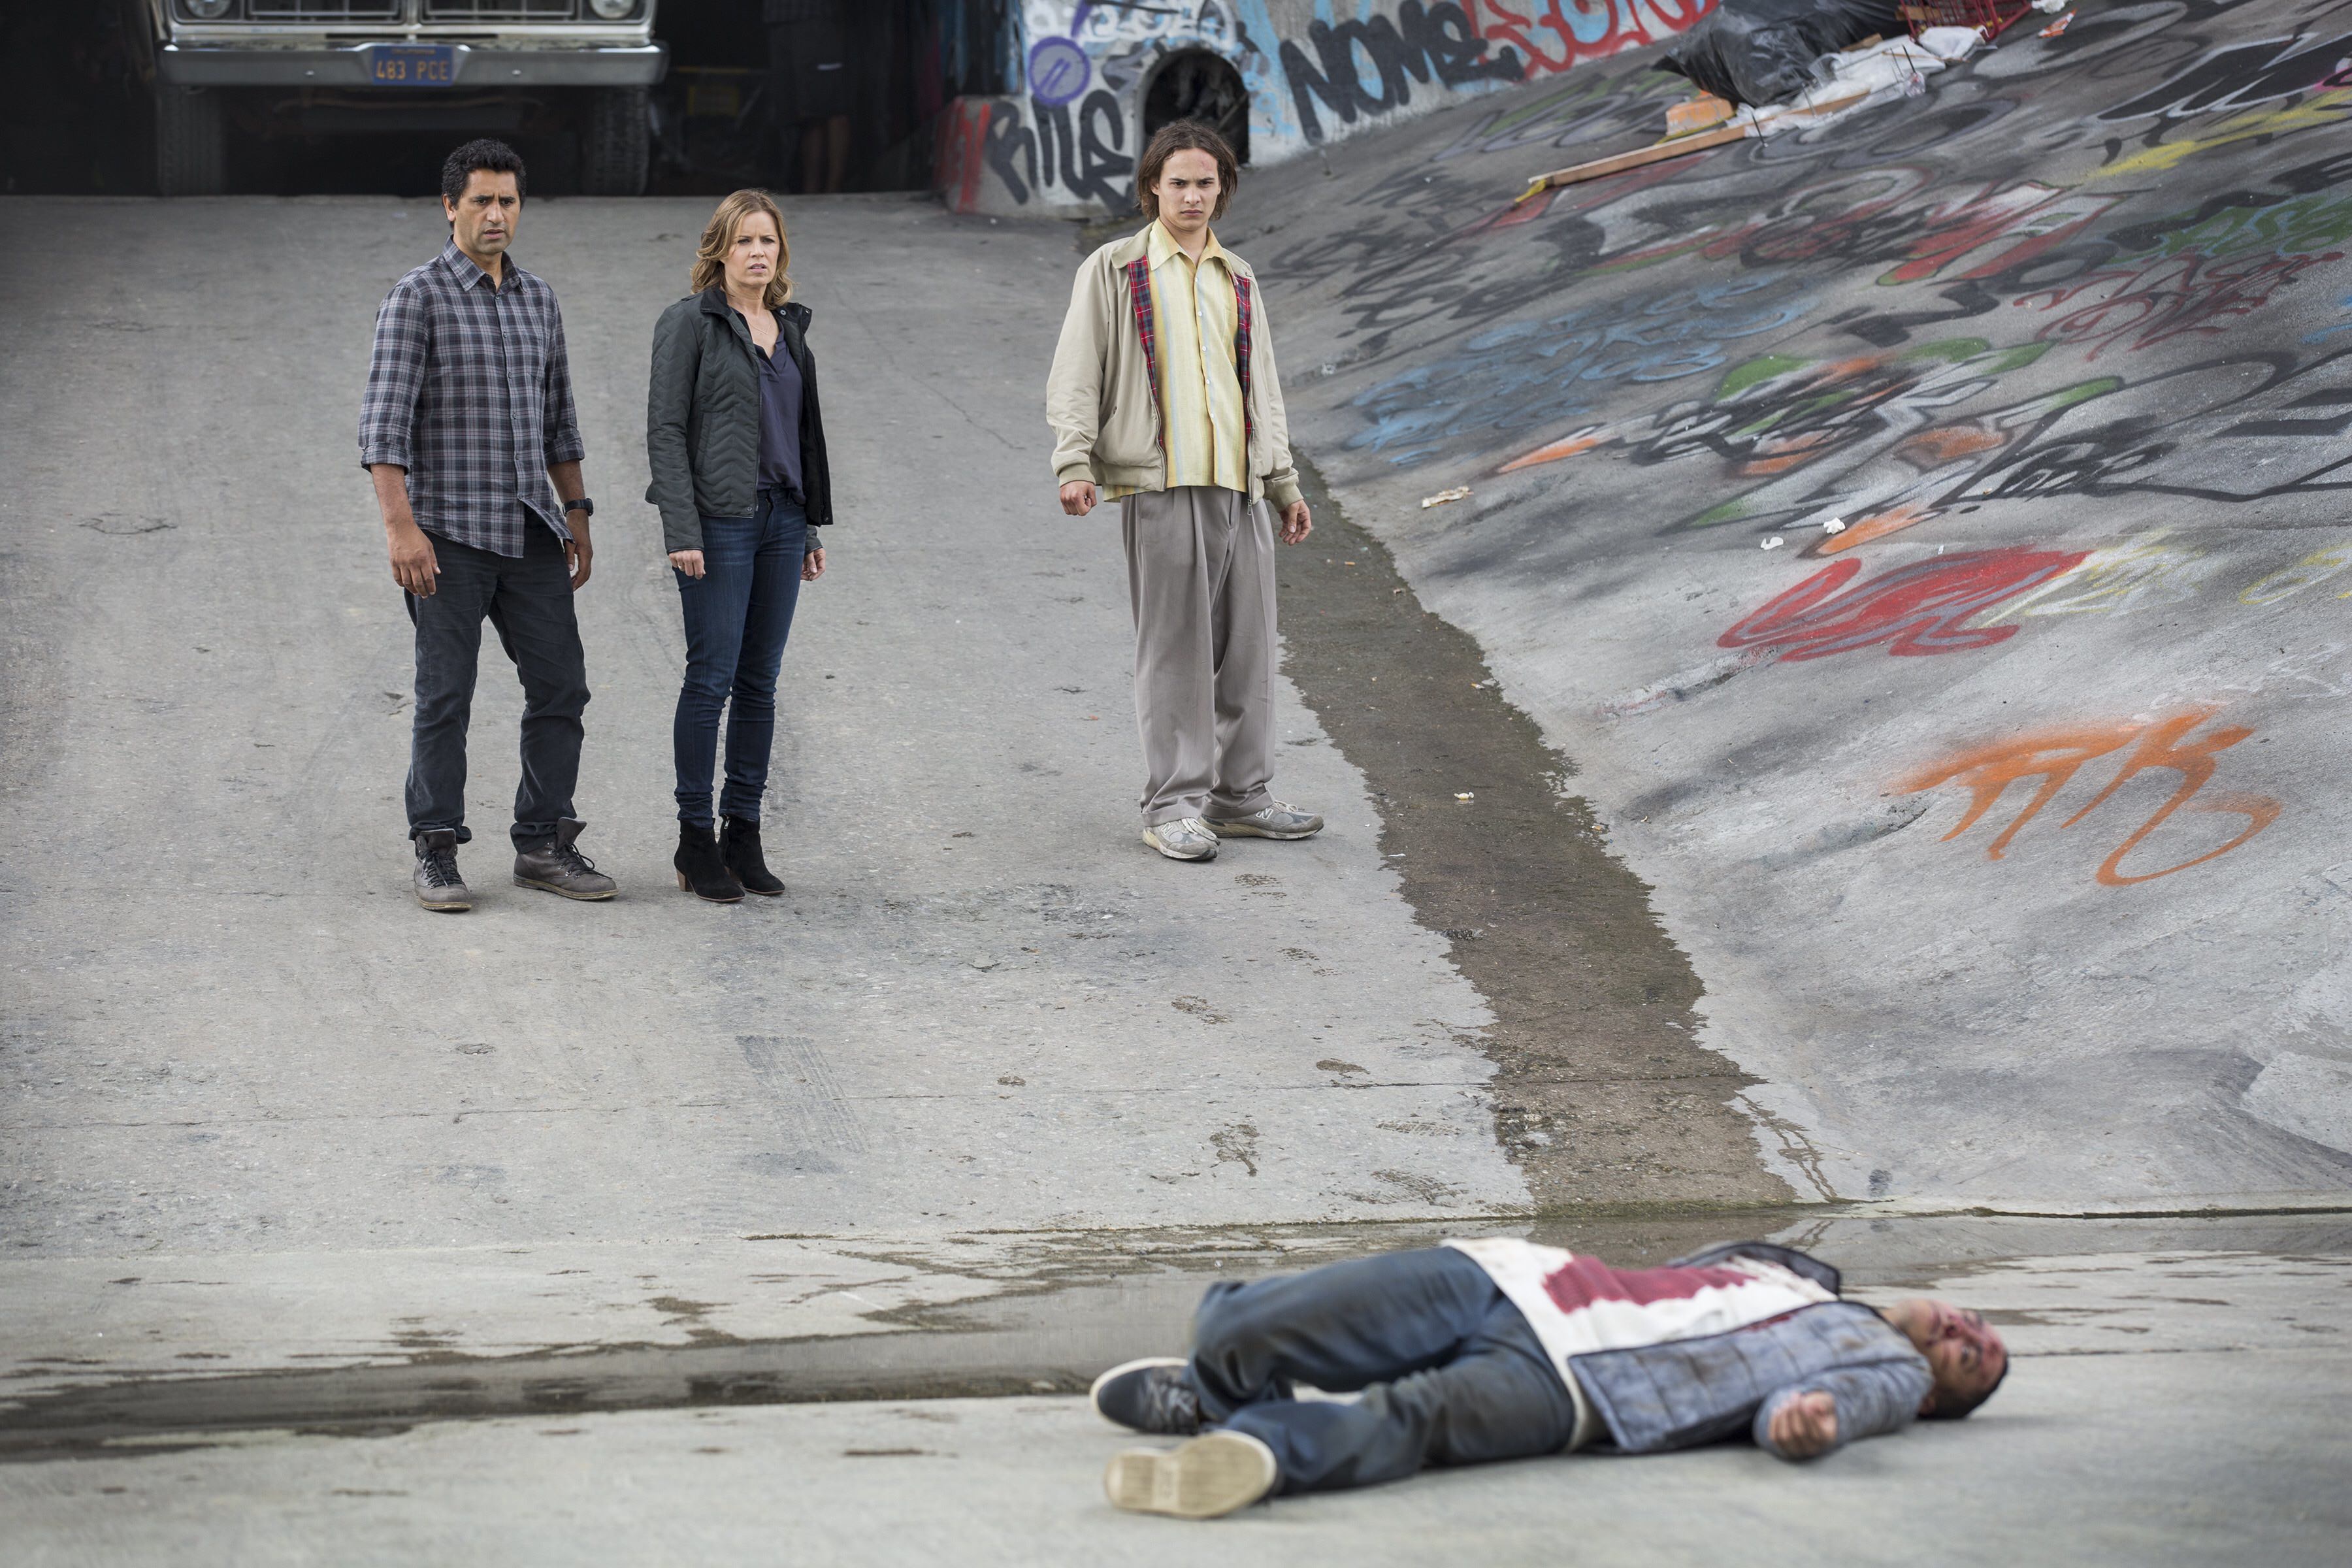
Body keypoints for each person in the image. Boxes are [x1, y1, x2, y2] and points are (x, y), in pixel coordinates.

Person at [1089, 1238, 2010, 1519]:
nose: (1964, 1330)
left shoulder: (1888, 1369)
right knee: (1246, 1322)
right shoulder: (1796, 1274)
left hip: (1579, 1388)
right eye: (1973, 1320)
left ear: (1933, 1395)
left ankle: (1254, 1453)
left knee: (1411, 1418)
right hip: (1519, 1279)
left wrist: (1807, 1424)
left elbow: (1835, 1407)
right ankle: (1219, 1395)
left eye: (1972, 1356)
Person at [1045, 122, 1322, 863]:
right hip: (1163, 486)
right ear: (1152, 189)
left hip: (1240, 486)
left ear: (1222, 190)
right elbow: (1077, 371)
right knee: (1176, 652)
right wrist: (1074, 463)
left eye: (1205, 183)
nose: (1192, 196)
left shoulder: (1239, 276)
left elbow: (1261, 387)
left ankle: (1241, 796)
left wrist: (1282, 481)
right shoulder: (1117, 268)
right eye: (1179, 184)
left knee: (1249, 652)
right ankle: (1171, 804)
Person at [360, 137, 616, 913]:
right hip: (447, 537)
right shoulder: (419, 298)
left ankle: (542, 844)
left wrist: (577, 514)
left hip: (531, 531)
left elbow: (559, 422)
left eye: (507, 201)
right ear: (451, 207)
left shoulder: (538, 300)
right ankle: (437, 850)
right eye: (481, 201)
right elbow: (383, 428)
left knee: (562, 687)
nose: (496, 214)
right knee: (446, 697)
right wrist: (401, 530)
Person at [646, 189, 832, 902]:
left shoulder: (790, 329)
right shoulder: (689, 323)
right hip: (719, 523)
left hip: (782, 520)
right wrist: (682, 530)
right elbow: (666, 430)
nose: (759, 252)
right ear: (719, 249)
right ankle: (696, 839)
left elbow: (796, 438)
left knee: (760, 682)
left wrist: (807, 526)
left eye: (769, 241)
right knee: (711, 678)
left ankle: (743, 833)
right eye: (745, 240)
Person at [766, 0, 853, 195]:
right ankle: (810, 193)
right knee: (807, 113)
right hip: (779, 17)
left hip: (816, 15)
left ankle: (834, 190)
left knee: (833, 107)